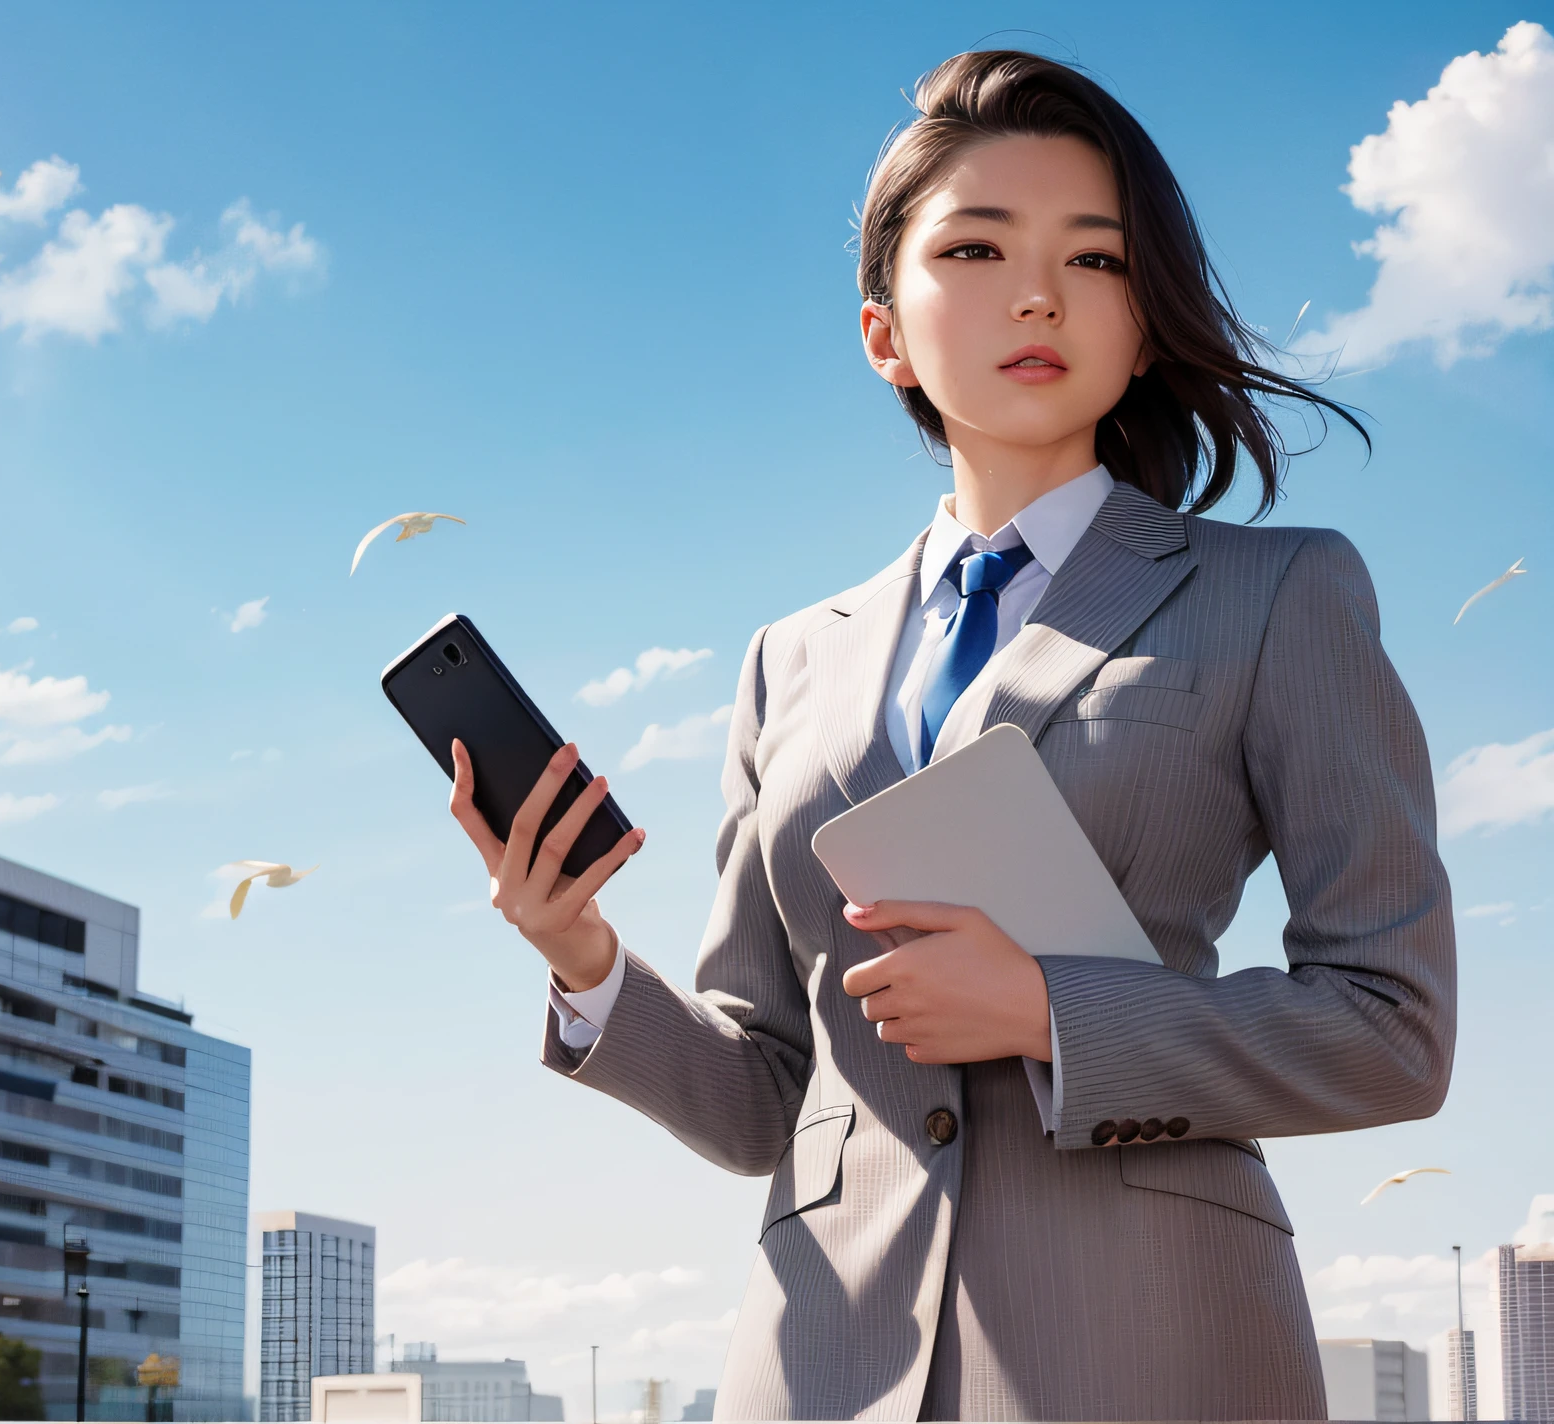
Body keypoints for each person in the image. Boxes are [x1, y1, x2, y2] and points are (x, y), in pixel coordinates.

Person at [443, 49, 1456, 1424]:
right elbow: (767, 1098)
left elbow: (1394, 1031)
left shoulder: (1278, 594)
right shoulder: (786, 660)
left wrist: (1050, 1012)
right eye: (977, 247)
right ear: (883, 332)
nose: (1037, 292)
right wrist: (582, 962)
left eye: (1094, 261)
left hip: (1151, 1346)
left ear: (1144, 326)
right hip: (821, 1365)